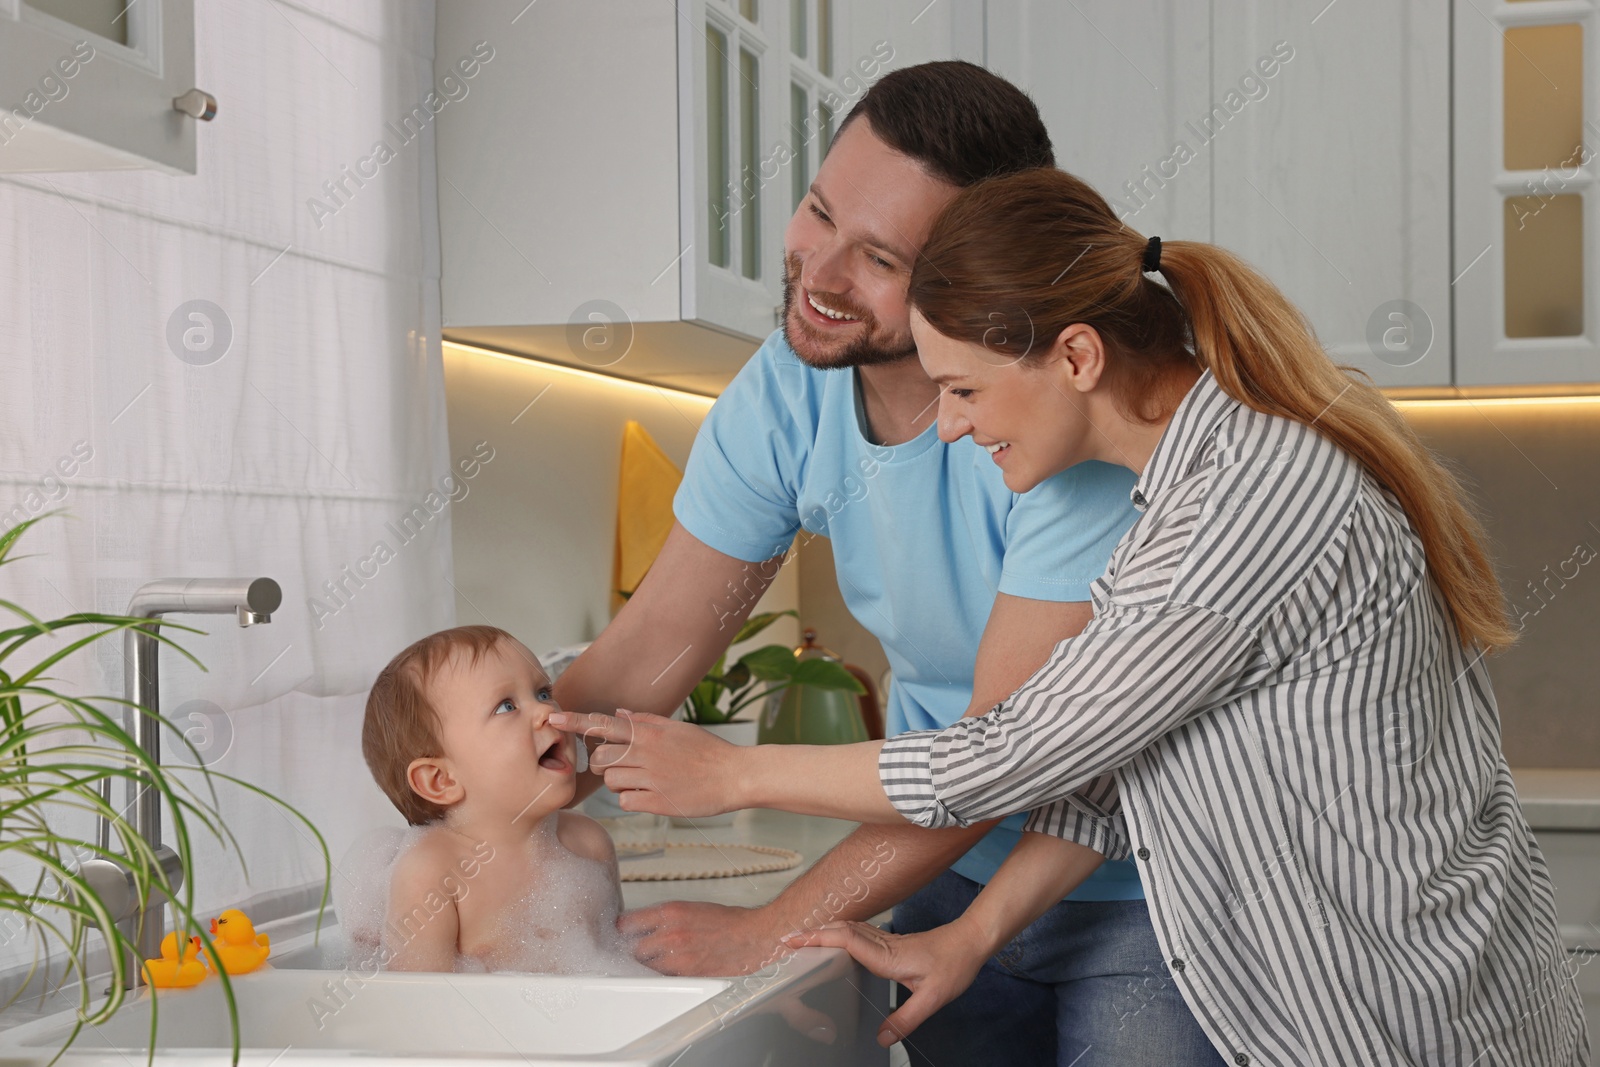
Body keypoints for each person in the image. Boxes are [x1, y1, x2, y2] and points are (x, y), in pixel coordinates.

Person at [554, 166, 1590, 1067]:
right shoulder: (1179, 494)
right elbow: (1099, 777)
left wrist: (731, 770)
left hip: (1401, 1010)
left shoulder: (1241, 508)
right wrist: (969, 934)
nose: (950, 425)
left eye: (961, 389)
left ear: (1079, 358)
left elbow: (1000, 756)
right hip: (1342, 996)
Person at [553, 61, 1220, 1065]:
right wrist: (477, 793)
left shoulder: (1061, 422)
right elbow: (654, 641)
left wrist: (767, 922)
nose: (817, 275)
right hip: (941, 867)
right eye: (817, 213)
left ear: (974, 274)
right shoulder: (787, 389)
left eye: (876, 257)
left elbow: (1001, 757)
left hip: (1141, 886)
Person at [357, 624, 650, 976]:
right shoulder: (432, 872)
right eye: (506, 706)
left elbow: (621, 971)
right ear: (442, 780)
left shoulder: (588, 843)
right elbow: (421, 1009)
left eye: (543, 693)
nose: (547, 713)